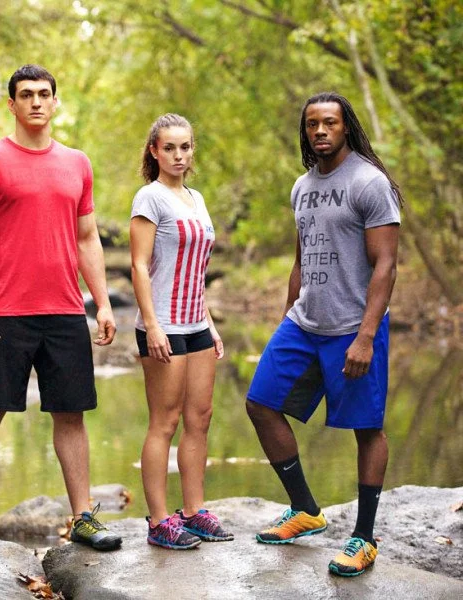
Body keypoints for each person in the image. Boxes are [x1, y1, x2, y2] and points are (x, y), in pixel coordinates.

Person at [0, 64, 121, 561]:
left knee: (71, 414)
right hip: (5, 312)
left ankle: (83, 517)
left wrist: (102, 301)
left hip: (65, 310)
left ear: (55, 101)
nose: (37, 102)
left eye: (45, 94)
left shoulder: (77, 163)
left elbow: (87, 237)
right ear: (12, 104)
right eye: (26, 95)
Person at [246, 92, 401, 576]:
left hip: (352, 327)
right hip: (304, 322)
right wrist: (285, 317)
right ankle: (307, 510)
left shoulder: (370, 183)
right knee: (260, 403)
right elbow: (300, 259)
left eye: (329, 123)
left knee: (366, 428)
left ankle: (364, 537)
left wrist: (366, 336)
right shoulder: (301, 187)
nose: (319, 131)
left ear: (346, 127)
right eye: (312, 123)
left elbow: (386, 264)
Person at [129, 114, 233, 550]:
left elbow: (198, 270)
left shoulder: (197, 198)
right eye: (169, 147)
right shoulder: (149, 198)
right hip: (163, 328)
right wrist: (152, 326)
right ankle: (158, 521)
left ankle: (193, 512)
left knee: (200, 419)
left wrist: (209, 323)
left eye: (185, 147)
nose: (178, 155)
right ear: (155, 151)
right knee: (165, 421)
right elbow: (138, 265)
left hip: (196, 326)